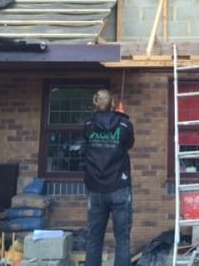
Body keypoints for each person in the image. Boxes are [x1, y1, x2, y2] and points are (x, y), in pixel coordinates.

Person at [82, 89, 135, 266]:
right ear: (112, 103)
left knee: (94, 239)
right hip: (119, 187)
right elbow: (129, 144)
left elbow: (85, 147)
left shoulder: (88, 124)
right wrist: (121, 117)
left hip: (95, 189)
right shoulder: (124, 125)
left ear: (96, 103)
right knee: (122, 239)